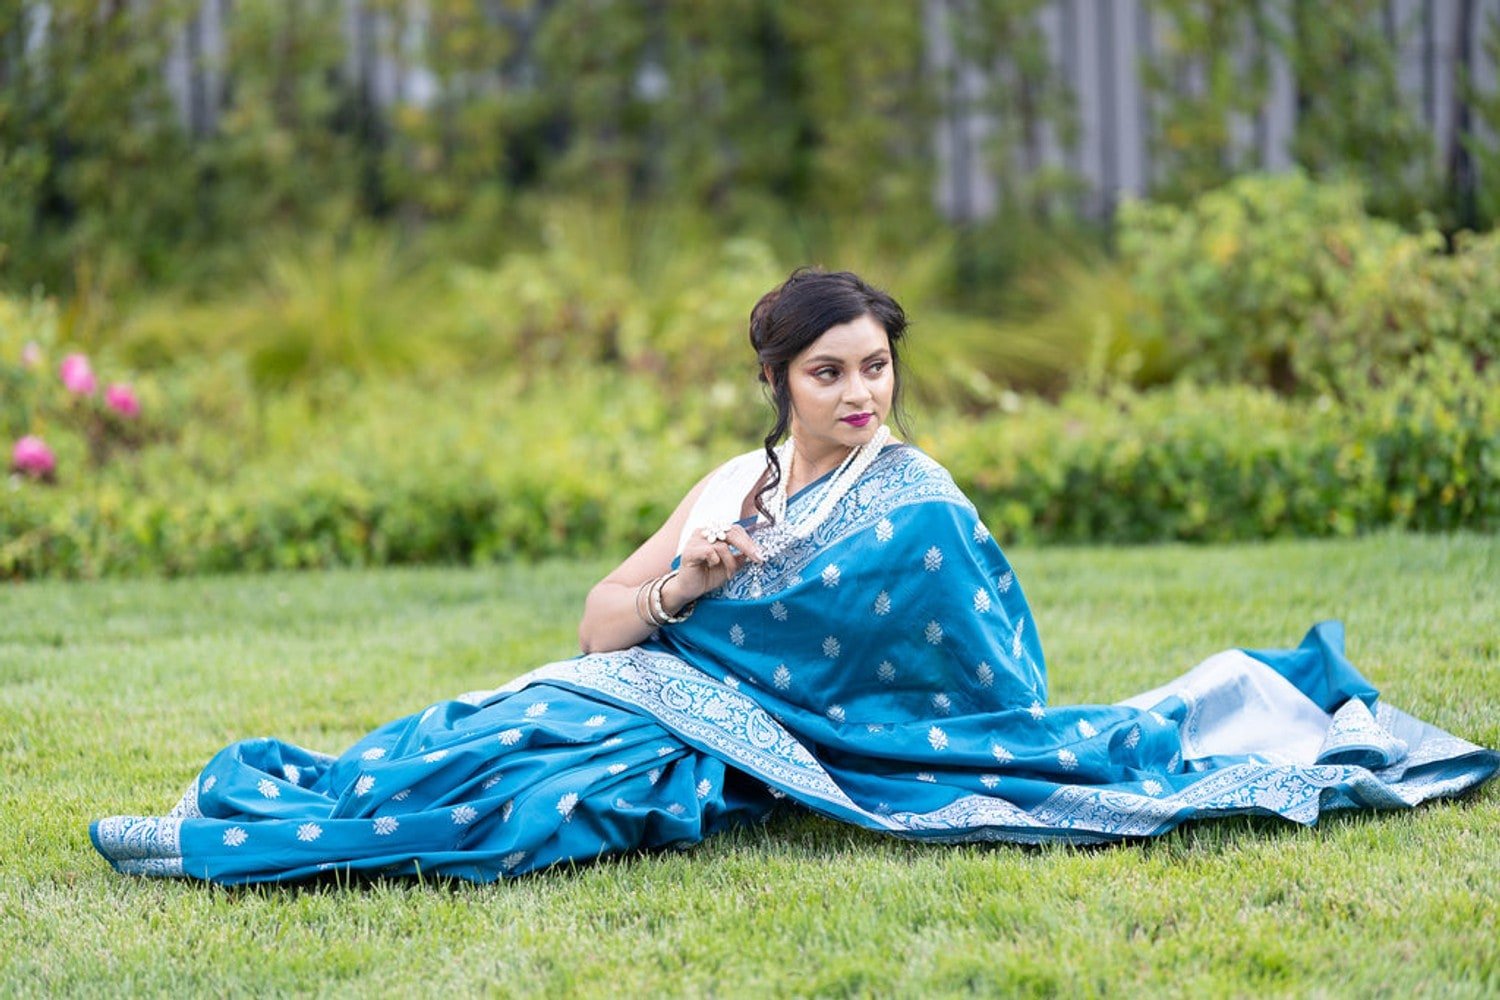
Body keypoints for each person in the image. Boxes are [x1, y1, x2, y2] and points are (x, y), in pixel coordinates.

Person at [92, 268, 1498, 884]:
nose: (860, 394)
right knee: (483, 730)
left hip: (746, 756)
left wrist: (733, 666)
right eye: (829, 373)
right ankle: (251, 807)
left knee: (524, 808)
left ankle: (246, 849)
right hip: (643, 690)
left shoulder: (920, 507)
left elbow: (1003, 679)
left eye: (875, 367)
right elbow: (595, 626)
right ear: (779, 378)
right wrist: (692, 588)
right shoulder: (729, 486)